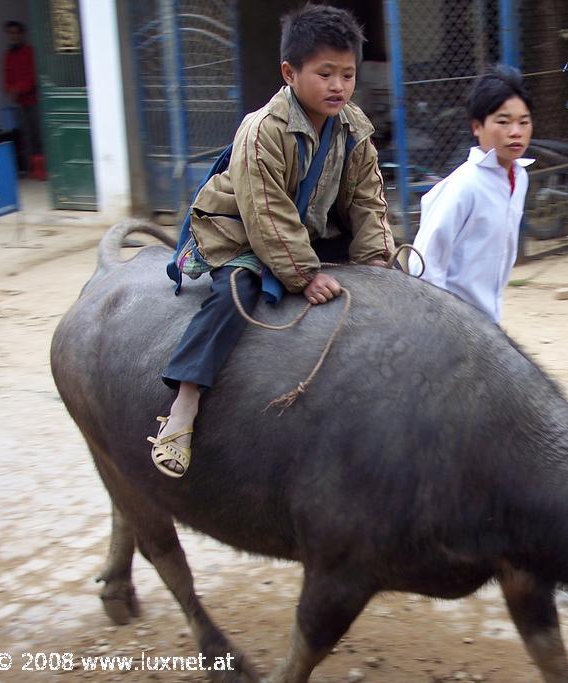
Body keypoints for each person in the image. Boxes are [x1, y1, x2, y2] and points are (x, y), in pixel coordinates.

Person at [149, 2, 395, 478]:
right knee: (234, 294)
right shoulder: (262, 130)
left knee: (389, 285)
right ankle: (184, 402)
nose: (338, 85)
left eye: (347, 74)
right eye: (325, 74)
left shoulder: (355, 128)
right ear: (289, 71)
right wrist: (304, 276)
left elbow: (369, 201)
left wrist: (376, 264)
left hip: (310, 231)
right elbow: (266, 212)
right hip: (243, 231)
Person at [408, 65, 533, 323]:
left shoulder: (519, 177)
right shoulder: (463, 186)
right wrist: (441, 322)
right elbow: (424, 263)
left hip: (488, 320)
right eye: (503, 121)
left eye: (524, 122)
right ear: (477, 126)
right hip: (455, 324)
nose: (516, 132)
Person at [2, 21, 41, 171]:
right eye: (10, 33)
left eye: (16, 32)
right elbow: (6, 79)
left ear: (21, 34)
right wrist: (11, 90)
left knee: (37, 134)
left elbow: (33, 76)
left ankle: (42, 168)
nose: (13, 36)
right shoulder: (8, 56)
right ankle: (31, 169)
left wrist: (18, 88)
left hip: (33, 99)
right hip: (20, 102)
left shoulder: (29, 52)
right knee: (26, 137)